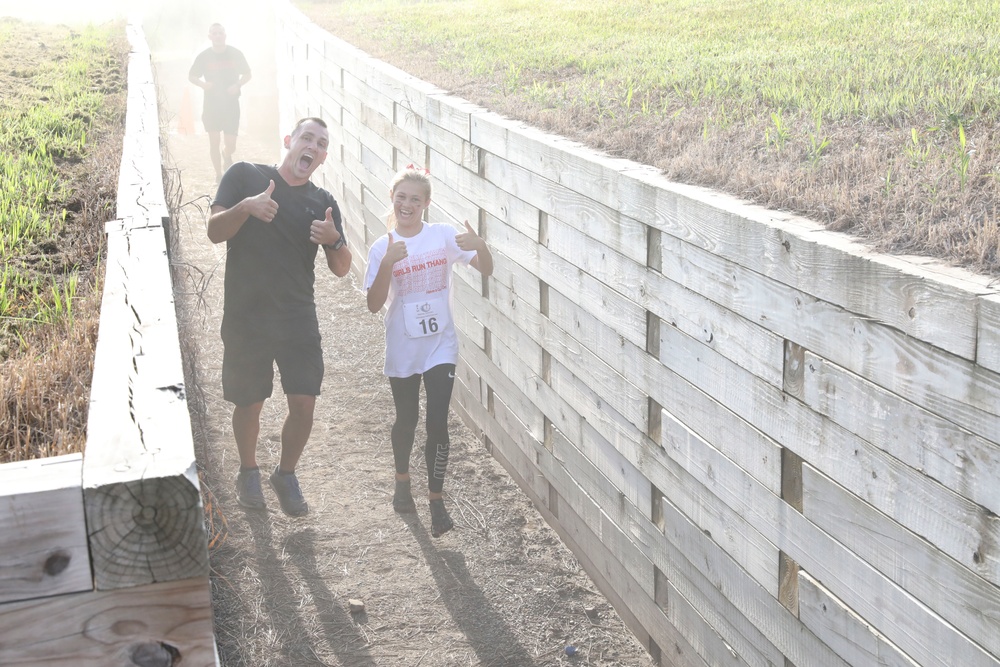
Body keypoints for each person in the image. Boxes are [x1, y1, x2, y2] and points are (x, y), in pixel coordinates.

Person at [207, 117, 352, 516]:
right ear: (289, 141)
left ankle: (285, 474)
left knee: (304, 402)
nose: (313, 146)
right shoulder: (245, 175)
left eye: (321, 144)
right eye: (307, 137)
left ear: (322, 157)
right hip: (247, 313)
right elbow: (214, 231)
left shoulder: (322, 202)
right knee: (249, 402)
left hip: (296, 316)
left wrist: (334, 239)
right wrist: (246, 207)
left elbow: (342, 267)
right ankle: (248, 470)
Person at [364, 166, 494, 537]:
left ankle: (436, 501)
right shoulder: (381, 247)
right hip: (404, 347)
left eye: (415, 199)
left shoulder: (441, 237)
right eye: (401, 197)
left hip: (441, 345)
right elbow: (374, 305)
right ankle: (402, 480)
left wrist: (482, 247)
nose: (407, 204)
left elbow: (486, 270)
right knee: (407, 420)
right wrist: (388, 265)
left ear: (426, 203)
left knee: (437, 421)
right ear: (393, 199)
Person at [188, 23, 252, 183]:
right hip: (211, 106)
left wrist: (237, 85)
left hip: (231, 105)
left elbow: (248, 74)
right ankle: (218, 174)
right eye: (214, 33)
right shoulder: (204, 56)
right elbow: (192, 76)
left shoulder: (235, 54)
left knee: (231, 144)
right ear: (210, 36)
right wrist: (203, 85)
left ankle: (227, 154)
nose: (218, 36)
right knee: (214, 142)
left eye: (220, 33)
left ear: (225, 35)